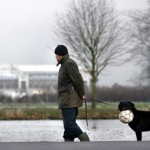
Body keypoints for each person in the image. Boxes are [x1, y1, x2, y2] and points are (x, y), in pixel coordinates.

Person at [54, 45, 90, 142]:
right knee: (68, 128)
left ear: (60, 55)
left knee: (70, 125)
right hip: (66, 100)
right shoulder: (63, 64)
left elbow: (78, 80)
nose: (55, 57)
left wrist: (82, 94)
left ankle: (88, 144)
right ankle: (68, 145)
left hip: (70, 100)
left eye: (56, 55)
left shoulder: (69, 64)